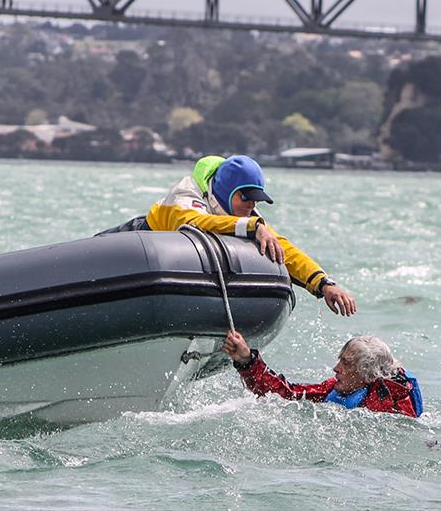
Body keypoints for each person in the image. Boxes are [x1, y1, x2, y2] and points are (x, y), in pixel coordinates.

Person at [97, 155, 356, 316]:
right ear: (224, 190)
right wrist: (250, 227)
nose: (251, 206)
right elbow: (195, 222)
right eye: (246, 197)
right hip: (136, 242)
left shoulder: (246, 217)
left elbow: (284, 249)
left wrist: (325, 284)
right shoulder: (185, 196)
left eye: (256, 199)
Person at [222, 330, 423, 418]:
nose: (336, 368)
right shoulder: (335, 388)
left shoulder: (394, 406)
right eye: (339, 359)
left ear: (368, 374)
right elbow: (285, 393)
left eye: (346, 363)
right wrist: (247, 361)